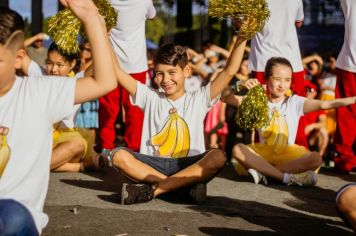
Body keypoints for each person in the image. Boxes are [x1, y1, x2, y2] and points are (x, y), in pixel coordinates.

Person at [0, 0, 117, 234]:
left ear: (18, 58)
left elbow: (103, 81)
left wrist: (92, 18)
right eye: (50, 63)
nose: (53, 69)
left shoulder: (40, 90)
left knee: (8, 216)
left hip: (14, 218)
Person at [108, 25, 248, 205]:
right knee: (117, 155)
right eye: (160, 74)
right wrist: (105, 36)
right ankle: (181, 189)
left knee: (219, 156)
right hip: (152, 163)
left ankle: (153, 189)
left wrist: (243, 35)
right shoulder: (149, 96)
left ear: (187, 71)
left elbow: (229, 71)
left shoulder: (199, 98)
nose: (165, 80)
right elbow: (118, 72)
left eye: (172, 72)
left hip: (188, 165)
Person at [223, 57, 355, 186]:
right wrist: (239, 84)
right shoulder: (257, 100)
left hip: (289, 158)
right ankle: (285, 178)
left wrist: (354, 99)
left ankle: (266, 174)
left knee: (316, 158)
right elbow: (224, 97)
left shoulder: (294, 102)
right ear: (266, 79)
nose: (282, 85)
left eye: (287, 80)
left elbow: (325, 105)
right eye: (277, 79)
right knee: (237, 149)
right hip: (263, 156)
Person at [97, 0, 156, 155]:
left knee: (107, 108)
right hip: (136, 63)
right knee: (134, 109)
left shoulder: (105, 1)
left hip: (109, 62)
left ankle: (105, 147)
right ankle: (134, 150)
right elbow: (153, 15)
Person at [248, 0, 305, 96]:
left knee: (262, 107)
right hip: (292, 62)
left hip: (263, 62)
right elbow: (299, 22)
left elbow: (243, 24)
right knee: (295, 106)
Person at [334, 0, 356, 173]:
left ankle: (346, 159)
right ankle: (345, 160)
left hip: (350, 61)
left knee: (347, 115)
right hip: (350, 63)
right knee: (346, 115)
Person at [303, 80, 328, 157]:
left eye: (310, 90)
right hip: (297, 136)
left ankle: (319, 159)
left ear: (315, 93)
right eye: (306, 89)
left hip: (310, 138)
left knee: (323, 131)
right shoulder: (297, 102)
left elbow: (323, 123)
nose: (307, 92)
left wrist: (312, 126)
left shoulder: (318, 106)